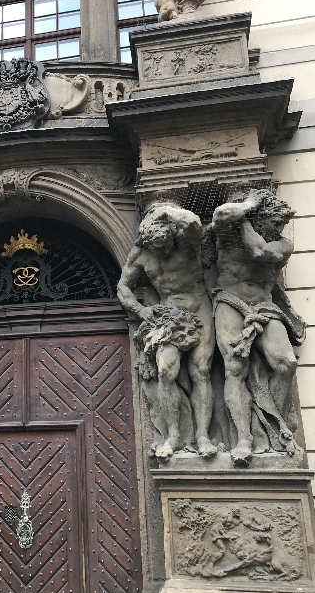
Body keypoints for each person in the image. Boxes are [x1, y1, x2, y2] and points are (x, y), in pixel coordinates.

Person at [210, 189, 305, 466]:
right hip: (230, 301)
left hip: (264, 305)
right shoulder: (227, 232)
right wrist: (249, 205)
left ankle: (274, 425)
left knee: (286, 363)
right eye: (275, 222)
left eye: (282, 224)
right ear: (259, 215)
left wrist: (244, 221)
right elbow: (220, 215)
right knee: (234, 368)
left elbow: (259, 251)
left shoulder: (283, 244)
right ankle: (243, 438)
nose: (279, 228)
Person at [118, 204, 216, 461]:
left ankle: (203, 435)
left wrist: (165, 210)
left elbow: (194, 223)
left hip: (199, 308)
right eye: (156, 248)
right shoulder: (141, 253)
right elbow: (123, 287)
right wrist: (141, 310)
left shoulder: (185, 242)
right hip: (168, 314)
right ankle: (173, 435)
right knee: (165, 370)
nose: (161, 251)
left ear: (172, 235)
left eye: (164, 246)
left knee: (201, 371)